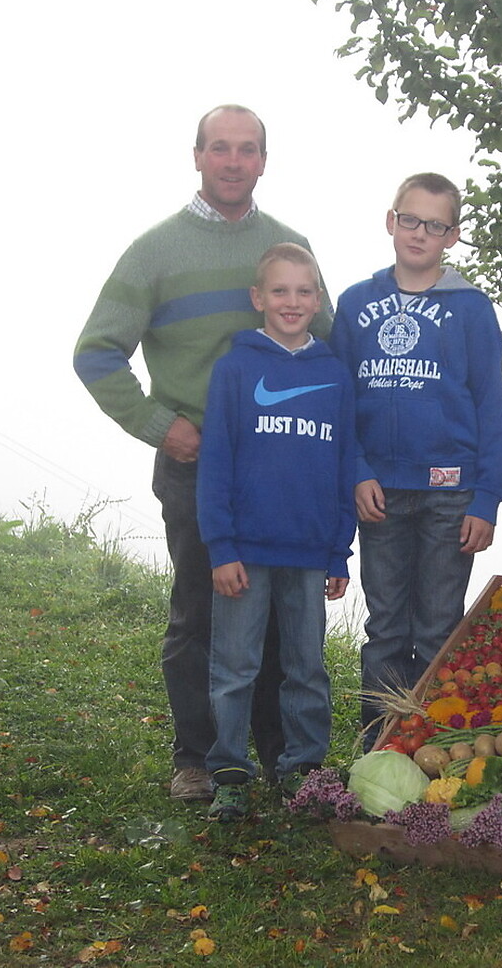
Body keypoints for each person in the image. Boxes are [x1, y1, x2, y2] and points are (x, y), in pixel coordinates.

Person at [73, 105, 334, 801]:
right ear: (197, 156)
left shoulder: (288, 246)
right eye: (220, 148)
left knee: (277, 618)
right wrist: (161, 426)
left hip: (282, 466)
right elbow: (96, 353)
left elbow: (330, 347)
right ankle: (197, 756)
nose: (233, 162)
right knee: (200, 611)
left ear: (264, 161)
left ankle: (281, 757)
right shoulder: (155, 251)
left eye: (247, 149)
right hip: (195, 463)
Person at [329, 172, 502, 747]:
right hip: (379, 492)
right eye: (410, 220)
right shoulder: (355, 303)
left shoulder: (471, 309)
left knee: (437, 628)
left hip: (450, 495)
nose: (419, 233)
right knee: (385, 628)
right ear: (391, 221)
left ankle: (429, 753)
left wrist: (487, 497)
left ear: (452, 236)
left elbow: (492, 405)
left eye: (435, 225)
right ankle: (378, 751)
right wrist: (356, 470)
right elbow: (338, 400)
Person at [196, 242, 355, 820]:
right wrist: (221, 547)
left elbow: (344, 464)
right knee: (235, 667)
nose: (292, 301)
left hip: (310, 551)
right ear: (258, 297)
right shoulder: (236, 368)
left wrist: (339, 552)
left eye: (304, 291)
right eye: (280, 290)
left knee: (305, 666)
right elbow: (216, 462)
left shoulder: (334, 374)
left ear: (318, 299)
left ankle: (304, 770)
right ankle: (229, 772)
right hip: (244, 550)